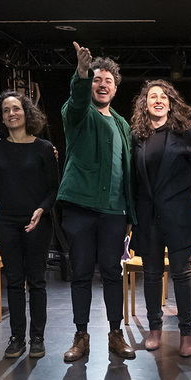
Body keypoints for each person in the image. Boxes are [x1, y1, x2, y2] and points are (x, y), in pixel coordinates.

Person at [58, 42, 136, 362]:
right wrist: (81, 73)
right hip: (80, 207)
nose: (102, 85)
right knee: (80, 273)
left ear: (115, 89)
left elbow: (127, 172)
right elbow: (77, 101)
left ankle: (116, 334)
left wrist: (129, 214)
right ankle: (81, 336)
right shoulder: (77, 113)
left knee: (112, 273)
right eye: (97, 79)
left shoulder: (122, 124)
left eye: (108, 81)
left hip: (114, 211)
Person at [129, 79, 191, 357]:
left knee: (181, 274)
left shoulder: (185, 132)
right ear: (145, 104)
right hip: (148, 217)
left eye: (163, 96)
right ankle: (154, 329)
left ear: (170, 103)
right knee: (152, 275)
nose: (158, 100)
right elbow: (132, 179)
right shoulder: (136, 135)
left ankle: (186, 334)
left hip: (179, 215)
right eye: (153, 96)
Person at [0, 90, 59, 360]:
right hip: (5, 222)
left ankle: (37, 338)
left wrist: (41, 210)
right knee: (15, 282)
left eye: (16, 108)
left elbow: (53, 189)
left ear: (26, 112)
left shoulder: (44, 148)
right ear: (1, 117)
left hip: (37, 221)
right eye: (6, 110)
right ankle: (17, 337)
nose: (11, 114)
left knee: (37, 281)